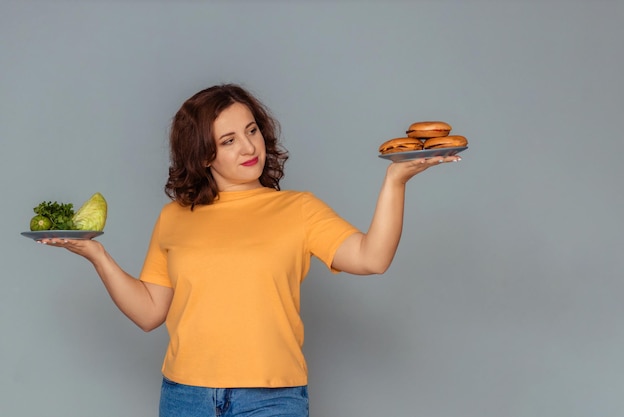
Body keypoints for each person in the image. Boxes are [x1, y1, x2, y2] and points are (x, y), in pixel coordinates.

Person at [40, 84, 461, 417]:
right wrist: (97, 255)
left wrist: (394, 183)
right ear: (204, 155)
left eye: (252, 130)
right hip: (185, 397)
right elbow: (150, 312)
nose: (248, 147)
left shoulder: (298, 208)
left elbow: (373, 258)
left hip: (272, 400)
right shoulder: (175, 216)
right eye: (228, 140)